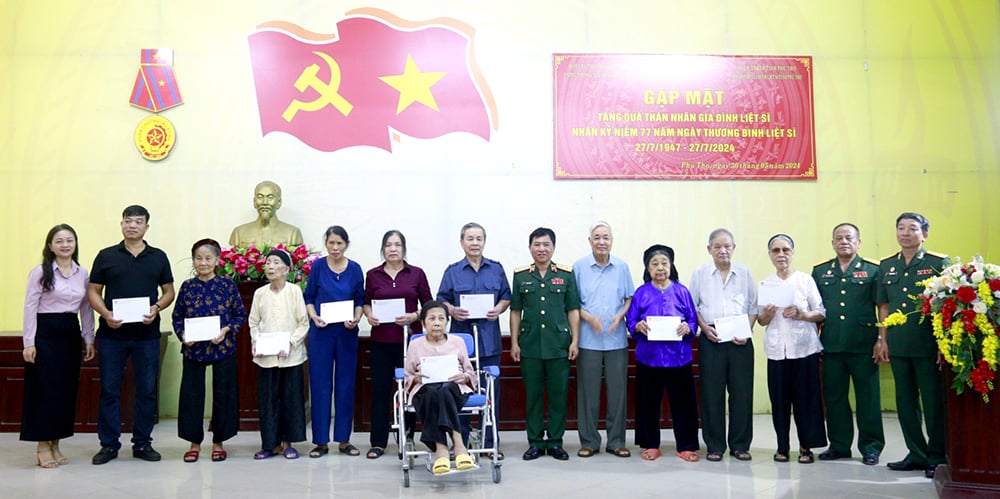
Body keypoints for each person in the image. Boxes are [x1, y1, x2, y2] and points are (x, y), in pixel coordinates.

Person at [87, 205, 174, 465]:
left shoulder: (158, 256)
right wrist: (106, 313)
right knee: (109, 390)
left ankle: (142, 443)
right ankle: (109, 445)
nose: (132, 225)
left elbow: (169, 291)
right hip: (111, 336)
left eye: (138, 221)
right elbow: (93, 291)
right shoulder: (106, 256)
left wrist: (156, 308)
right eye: (128, 221)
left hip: (147, 335)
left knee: (146, 390)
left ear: (147, 226)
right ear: (121, 224)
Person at [875, 212, 950, 479]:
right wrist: (882, 339)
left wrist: (944, 344)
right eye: (901, 228)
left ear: (924, 234)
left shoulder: (938, 263)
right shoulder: (886, 266)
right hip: (898, 344)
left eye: (912, 228)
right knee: (905, 402)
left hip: (927, 345)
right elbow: (884, 306)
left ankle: (936, 455)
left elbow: (946, 307)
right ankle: (915, 454)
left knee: (932, 402)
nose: (905, 233)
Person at [21, 224, 96, 468]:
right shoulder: (40, 272)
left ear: (75, 244)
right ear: (50, 245)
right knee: (44, 390)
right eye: (59, 241)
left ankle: (56, 443)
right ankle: (42, 445)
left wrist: (89, 339)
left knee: (64, 391)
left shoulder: (82, 272)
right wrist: (29, 343)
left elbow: (86, 308)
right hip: (46, 333)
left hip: (69, 332)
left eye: (69, 240)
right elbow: (30, 307)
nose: (65, 245)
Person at [436, 222, 511, 458]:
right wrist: (451, 310)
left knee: (490, 394)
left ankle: (490, 443)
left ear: (484, 242)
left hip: (489, 343)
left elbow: (506, 296)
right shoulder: (453, 271)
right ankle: (461, 444)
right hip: (462, 345)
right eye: (470, 238)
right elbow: (441, 299)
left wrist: (499, 308)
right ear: (462, 242)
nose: (475, 243)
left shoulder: (496, 269)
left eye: (479, 238)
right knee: (461, 393)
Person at [811, 223, 884, 466]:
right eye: (839, 238)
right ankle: (840, 445)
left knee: (868, 398)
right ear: (832, 243)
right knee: (834, 399)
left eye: (849, 237)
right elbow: (815, 309)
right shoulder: (821, 272)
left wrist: (881, 339)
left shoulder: (874, 270)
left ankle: (870, 447)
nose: (844, 241)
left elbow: (882, 307)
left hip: (863, 345)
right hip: (831, 346)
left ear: (858, 242)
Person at [171, 238, 246, 463]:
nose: (202, 263)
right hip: (194, 350)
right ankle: (194, 443)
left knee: (224, 395)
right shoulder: (187, 286)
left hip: (222, 346)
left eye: (208, 258)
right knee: (191, 395)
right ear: (193, 261)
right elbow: (177, 317)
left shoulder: (227, 285)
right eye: (198, 258)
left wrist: (226, 330)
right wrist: (183, 335)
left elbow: (239, 315)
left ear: (217, 260)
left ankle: (218, 442)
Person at [509, 227, 580, 461]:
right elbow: (516, 312)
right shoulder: (521, 276)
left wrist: (575, 341)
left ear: (553, 247)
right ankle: (536, 442)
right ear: (530, 247)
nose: (541, 249)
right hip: (530, 345)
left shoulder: (566, 275)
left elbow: (573, 310)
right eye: (537, 244)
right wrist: (514, 343)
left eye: (546, 244)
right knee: (534, 396)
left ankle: (556, 442)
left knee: (559, 395)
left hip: (559, 344)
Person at [625, 244, 700, 462]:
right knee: (648, 403)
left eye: (664, 263)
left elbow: (693, 319)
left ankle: (686, 445)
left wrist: (689, 327)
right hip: (649, 357)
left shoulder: (682, 291)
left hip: (679, 357)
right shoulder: (641, 292)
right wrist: (637, 326)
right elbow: (631, 320)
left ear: (671, 266)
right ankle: (650, 444)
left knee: (684, 404)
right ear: (647, 269)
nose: (660, 268)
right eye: (654, 264)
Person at [757, 234, 827, 464]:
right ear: (770, 255)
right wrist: (766, 315)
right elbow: (762, 321)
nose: (781, 254)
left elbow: (821, 312)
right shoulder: (766, 284)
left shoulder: (805, 280)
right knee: (779, 401)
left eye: (785, 250)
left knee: (806, 400)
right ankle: (782, 446)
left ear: (792, 252)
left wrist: (801, 314)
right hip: (777, 351)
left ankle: (806, 446)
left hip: (804, 348)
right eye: (775, 250)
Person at [363, 230, 432, 459]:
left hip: (410, 344)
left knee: (411, 390)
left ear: (404, 249)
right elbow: (365, 303)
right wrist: (369, 314)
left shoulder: (417, 274)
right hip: (381, 341)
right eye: (388, 245)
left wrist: (414, 316)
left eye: (397, 245)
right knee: (380, 391)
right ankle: (378, 442)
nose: (393, 249)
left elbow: (429, 306)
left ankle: (409, 437)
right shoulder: (373, 275)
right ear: (383, 249)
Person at [690, 228, 757, 462]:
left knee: (741, 394)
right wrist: (704, 329)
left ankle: (740, 445)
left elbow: (753, 307)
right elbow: (693, 307)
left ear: (734, 248)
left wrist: (747, 332)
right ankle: (715, 445)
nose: (723, 250)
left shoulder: (745, 272)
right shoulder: (700, 273)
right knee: (711, 394)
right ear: (709, 249)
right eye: (717, 246)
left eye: (727, 246)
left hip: (740, 340)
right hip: (712, 338)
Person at [572, 221, 634, 458]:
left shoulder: (622, 267)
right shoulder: (579, 267)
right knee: (588, 393)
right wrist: (587, 317)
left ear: (612, 240)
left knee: (618, 393)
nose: (601, 241)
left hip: (616, 340)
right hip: (588, 340)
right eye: (596, 237)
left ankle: (616, 441)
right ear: (590, 241)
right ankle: (589, 441)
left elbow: (629, 298)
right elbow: (572, 303)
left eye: (606, 237)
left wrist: (621, 315)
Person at [304, 226, 365, 458]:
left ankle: (343, 440)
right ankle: (320, 441)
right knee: (320, 384)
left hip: (347, 332)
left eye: (339, 243)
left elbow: (360, 299)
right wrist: (313, 316)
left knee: (345, 384)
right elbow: (309, 296)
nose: (335, 248)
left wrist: (357, 317)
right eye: (331, 243)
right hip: (321, 332)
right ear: (326, 244)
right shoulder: (318, 266)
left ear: (346, 244)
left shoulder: (355, 268)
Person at [248, 249, 310, 460]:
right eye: (268, 263)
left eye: (276, 263)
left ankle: (288, 443)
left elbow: (303, 323)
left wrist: (290, 343)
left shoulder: (294, 291)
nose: (271, 267)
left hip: (290, 356)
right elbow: (253, 322)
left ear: (286, 268)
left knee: (290, 400)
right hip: (266, 358)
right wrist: (256, 342)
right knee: (268, 400)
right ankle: (270, 445)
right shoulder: (260, 293)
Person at [403, 301, 478, 474]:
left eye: (441, 318)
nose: (437, 322)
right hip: (425, 389)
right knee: (433, 393)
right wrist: (416, 378)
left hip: (455, 388)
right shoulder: (415, 345)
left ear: (447, 322)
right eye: (432, 319)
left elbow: (470, 372)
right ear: (423, 323)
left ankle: (442, 449)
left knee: (444, 390)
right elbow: (408, 375)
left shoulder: (457, 342)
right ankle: (457, 445)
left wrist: (464, 377)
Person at [229, 180, 304, 247]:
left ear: (278, 202)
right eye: (260, 197)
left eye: (270, 197)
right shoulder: (239, 232)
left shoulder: (292, 233)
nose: (265, 202)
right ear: (254, 202)